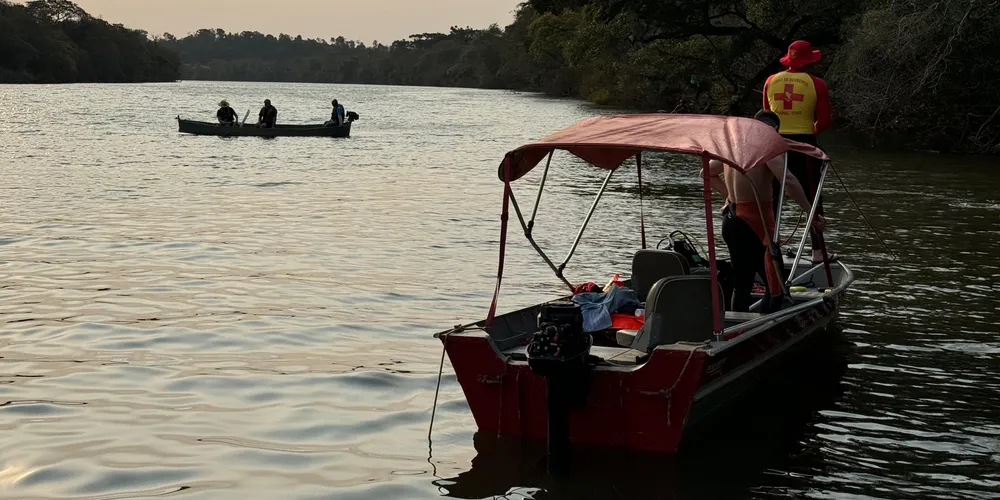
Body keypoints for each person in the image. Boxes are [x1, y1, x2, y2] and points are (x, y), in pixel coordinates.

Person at [704, 110, 826, 313]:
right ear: (775, 130)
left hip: (731, 217)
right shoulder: (766, 145)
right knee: (774, 281)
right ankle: (768, 324)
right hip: (755, 221)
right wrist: (811, 213)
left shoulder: (734, 147)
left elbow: (706, 173)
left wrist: (729, 195)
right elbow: (788, 181)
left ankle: (739, 326)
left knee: (742, 282)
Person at [762, 40, 834, 264]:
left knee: (772, 198)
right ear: (810, 61)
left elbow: (766, 117)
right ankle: (817, 251)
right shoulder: (817, 84)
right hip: (804, 144)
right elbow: (823, 122)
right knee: (812, 197)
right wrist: (808, 131)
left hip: (775, 141)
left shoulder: (770, 81)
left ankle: (770, 248)